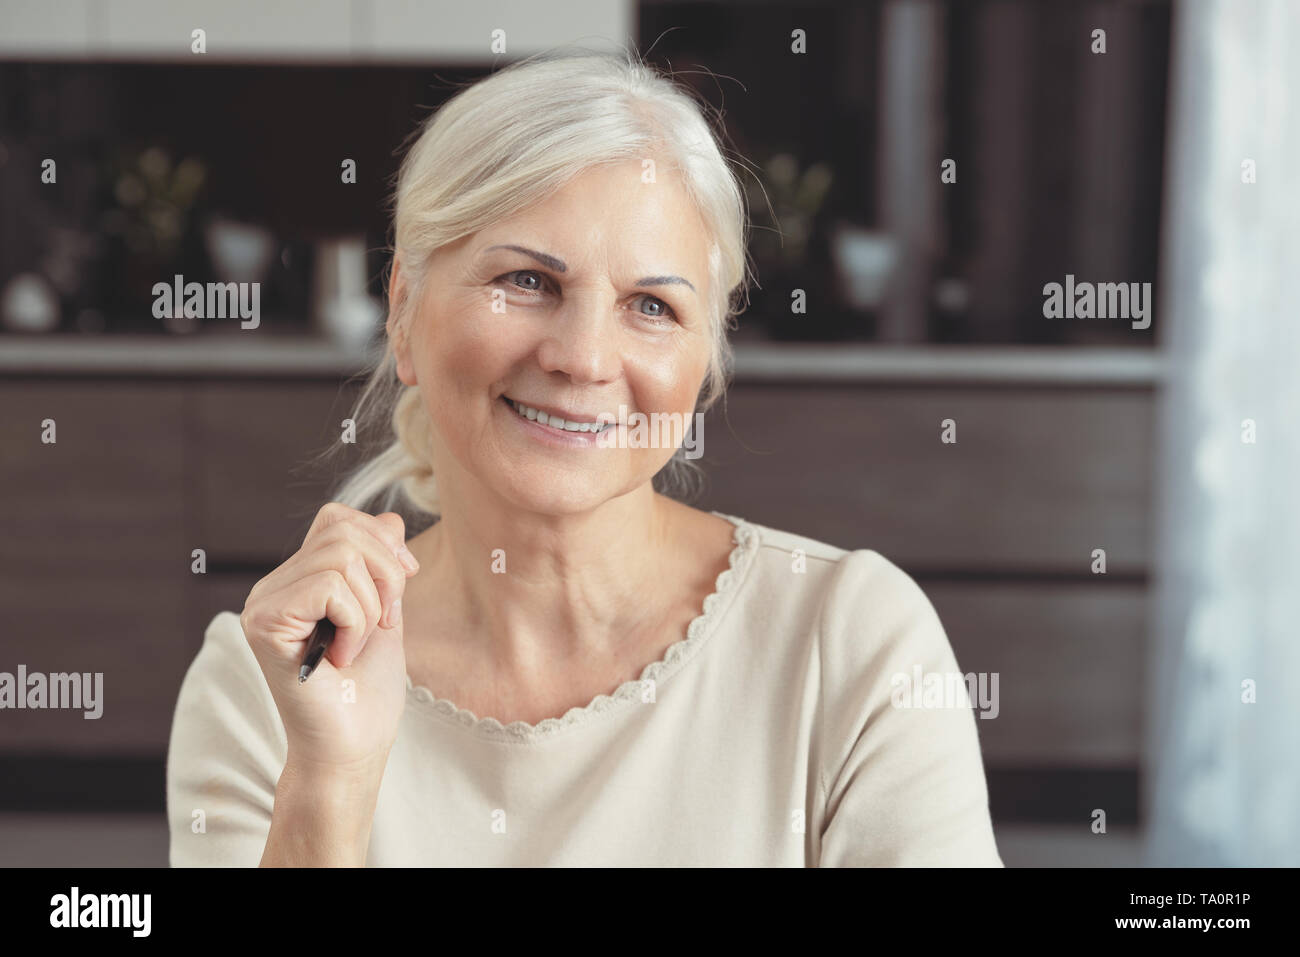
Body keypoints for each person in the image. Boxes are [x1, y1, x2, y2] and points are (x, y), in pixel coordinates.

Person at [166, 48, 1002, 867]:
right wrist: (331, 783)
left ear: (703, 363)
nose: (584, 357)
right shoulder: (267, 679)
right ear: (403, 308)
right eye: (529, 281)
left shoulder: (851, 646)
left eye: (651, 305)